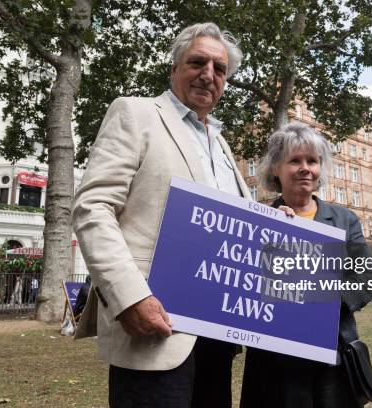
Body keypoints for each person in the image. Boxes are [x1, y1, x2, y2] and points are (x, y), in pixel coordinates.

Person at [72, 22, 250, 408]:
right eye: (197, 62)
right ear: (174, 69)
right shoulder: (135, 113)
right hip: (154, 327)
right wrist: (129, 298)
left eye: (219, 69)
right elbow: (92, 207)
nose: (208, 75)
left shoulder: (221, 146)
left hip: (217, 336)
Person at [240, 123, 372, 408]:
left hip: (333, 355)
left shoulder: (344, 219)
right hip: (274, 361)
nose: (305, 168)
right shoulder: (258, 220)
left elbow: (366, 275)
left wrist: (324, 300)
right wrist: (270, 233)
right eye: (294, 160)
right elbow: (240, 280)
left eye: (312, 161)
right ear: (275, 169)